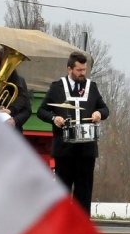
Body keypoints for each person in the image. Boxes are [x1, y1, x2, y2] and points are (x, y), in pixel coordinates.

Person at [37, 51, 109, 216]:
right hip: (64, 147)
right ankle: (61, 223)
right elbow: (42, 111)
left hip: (87, 148)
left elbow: (104, 109)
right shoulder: (57, 87)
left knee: (84, 188)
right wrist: (54, 118)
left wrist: (99, 114)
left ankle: (82, 224)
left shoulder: (92, 87)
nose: (82, 73)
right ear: (69, 69)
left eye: (84, 70)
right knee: (63, 187)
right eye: (79, 70)